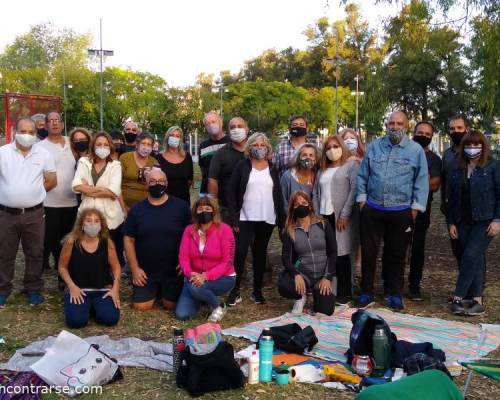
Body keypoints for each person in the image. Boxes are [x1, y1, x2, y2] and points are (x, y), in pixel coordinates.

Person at [356, 111, 429, 310]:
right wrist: (362, 201)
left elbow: (421, 181)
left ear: (406, 126)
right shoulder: (374, 147)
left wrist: (415, 209)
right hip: (373, 208)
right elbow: (363, 175)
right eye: (391, 123)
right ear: (386, 125)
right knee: (369, 253)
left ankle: (393, 292)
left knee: (396, 254)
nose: (394, 127)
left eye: (399, 123)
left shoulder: (415, 150)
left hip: (401, 210)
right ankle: (367, 291)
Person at [0, 117, 57, 307]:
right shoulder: (3, 153)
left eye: (31, 132)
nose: (27, 135)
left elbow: (51, 180)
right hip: (6, 214)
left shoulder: (43, 154)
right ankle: (2, 289)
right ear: (15, 131)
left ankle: (33, 288)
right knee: (5, 253)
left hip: (34, 213)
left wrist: (33, 192)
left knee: (35, 253)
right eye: (23, 131)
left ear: (35, 134)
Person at [227, 133, 285, 306]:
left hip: (266, 217)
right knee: (240, 253)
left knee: (260, 254)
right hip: (245, 217)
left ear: (267, 148)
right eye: (255, 145)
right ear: (249, 147)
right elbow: (231, 191)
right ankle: (234, 290)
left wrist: (281, 219)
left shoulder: (273, 168)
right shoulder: (242, 166)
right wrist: (234, 217)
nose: (259, 148)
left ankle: (257, 291)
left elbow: (278, 194)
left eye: (262, 145)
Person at [447, 131, 500, 316]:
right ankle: (477, 300)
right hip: (462, 220)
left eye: (477, 145)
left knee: (471, 255)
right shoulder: (458, 166)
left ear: (483, 146)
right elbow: (451, 198)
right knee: (470, 258)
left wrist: (497, 219)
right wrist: (451, 222)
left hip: (484, 221)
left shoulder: (493, 166)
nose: (473, 148)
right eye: (469, 145)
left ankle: (458, 297)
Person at [123, 168, 191, 311]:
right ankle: (155, 290)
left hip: (173, 269)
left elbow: (192, 235)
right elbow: (128, 239)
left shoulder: (181, 207)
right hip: (146, 271)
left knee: (170, 305)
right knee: (141, 306)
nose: (157, 184)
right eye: (152, 181)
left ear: (166, 183)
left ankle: (164, 292)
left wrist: (186, 260)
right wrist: (134, 268)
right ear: (146, 185)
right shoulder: (137, 209)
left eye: (161, 181)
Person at [313, 135, 360, 303]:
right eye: (328, 147)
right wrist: (316, 215)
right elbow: (316, 194)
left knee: (342, 254)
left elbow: (354, 190)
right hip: (324, 216)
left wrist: (345, 214)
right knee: (328, 253)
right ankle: (329, 290)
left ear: (341, 147)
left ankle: (345, 293)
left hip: (341, 216)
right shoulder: (321, 169)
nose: (332, 150)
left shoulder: (351, 165)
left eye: (335, 146)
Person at [175, 196, 236, 322]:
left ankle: (218, 305)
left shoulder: (225, 230)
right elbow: (183, 257)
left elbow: (227, 262)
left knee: (195, 288)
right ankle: (203, 299)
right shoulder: (189, 230)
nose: (204, 211)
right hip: (194, 277)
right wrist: (190, 273)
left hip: (223, 277)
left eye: (208, 208)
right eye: (200, 208)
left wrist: (205, 276)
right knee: (182, 315)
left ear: (214, 211)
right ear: (195, 212)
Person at [58, 208, 121, 328]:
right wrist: (72, 286)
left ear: (101, 225)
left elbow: (116, 266)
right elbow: (62, 267)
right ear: (81, 224)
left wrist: (115, 289)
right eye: (89, 221)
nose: (93, 224)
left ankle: (93, 306)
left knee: (110, 319)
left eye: (97, 221)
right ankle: (86, 306)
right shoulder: (71, 242)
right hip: (79, 289)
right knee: (76, 322)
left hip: (102, 290)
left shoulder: (107, 242)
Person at [278, 191, 336, 315]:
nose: (301, 206)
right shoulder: (289, 230)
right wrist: (296, 274)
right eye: (296, 204)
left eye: (304, 203)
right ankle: (300, 297)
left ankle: (317, 295)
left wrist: (328, 277)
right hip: (304, 273)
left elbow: (333, 252)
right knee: (285, 286)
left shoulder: (323, 224)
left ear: (310, 206)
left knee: (325, 311)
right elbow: (286, 258)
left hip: (323, 274)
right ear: (292, 209)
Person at [72, 132, 126, 266]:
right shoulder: (84, 162)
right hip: (87, 212)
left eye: (106, 145)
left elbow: (114, 191)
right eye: (99, 144)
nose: (102, 147)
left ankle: (113, 279)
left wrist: (88, 189)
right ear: (93, 146)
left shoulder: (116, 165)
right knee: (88, 249)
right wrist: (103, 190)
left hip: (111, 216)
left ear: (110, 147)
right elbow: (76, 186)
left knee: (113, 250)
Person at [36, 111, 78, 274]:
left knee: (67, 241)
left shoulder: (71, 143)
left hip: (71, 202)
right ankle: (38, 276)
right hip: (49, 203)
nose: (54, 123)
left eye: (57, 120)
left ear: (62, 124)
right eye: (50, 120)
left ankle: (63, 278)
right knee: (49, 241)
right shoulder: (39, 147)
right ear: (46, 125)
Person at [408, 122, 442, 301]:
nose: (423, 135)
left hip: (422, 209)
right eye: (420, 132)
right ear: (413, 133)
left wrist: (408, 182)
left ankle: (414, 286)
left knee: (417, 247)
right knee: (395, 246)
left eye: (427, 133)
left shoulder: (435, 160)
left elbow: (434, 185)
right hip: (398, 208)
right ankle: (392, 284)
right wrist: (422, 180)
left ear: (431, 136)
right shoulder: (404, 152)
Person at [441, 115, 470, 268]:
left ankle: (477, 288)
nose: (455, 131)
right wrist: (443, 202)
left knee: (472, 250)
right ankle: (465, 284)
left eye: (459, 128)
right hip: (452, 209)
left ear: (467, 129)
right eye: (452, 128)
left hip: (472, 207)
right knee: (457, 248)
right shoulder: (447, 155)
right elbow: (444, 180)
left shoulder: (475, 152)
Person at [208, 116, 248, 220]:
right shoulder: (220, 154)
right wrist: (214, 204)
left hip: (252, 207)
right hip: (227, 208)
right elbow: (212, 180)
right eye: (232, 127)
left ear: (246, 129)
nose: (236, 129)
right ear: (229, 131)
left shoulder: (254, 151)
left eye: (240, 126)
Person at [155, 126, 194, 204]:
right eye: (172, 135)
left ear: (180, 139)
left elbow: (190, 180)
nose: (174, 138)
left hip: (183, 200)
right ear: (167, 137)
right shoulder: (158, 158)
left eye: (177, 136)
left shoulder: (187, 157)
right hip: (164, 201)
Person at [119, 132, 157, 209]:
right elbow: (117, 184)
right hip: (123, 204)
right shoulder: (125, 158)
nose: (146, 147)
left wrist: (149, 178)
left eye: (149, 144)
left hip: (146, 206)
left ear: (152, 147)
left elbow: (154, 187)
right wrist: (124, 208)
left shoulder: (154, 162)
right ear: (137, 144)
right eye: (143, 143)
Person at [280, 143, 319, 211]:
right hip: (293, 219)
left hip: (313, 219)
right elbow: (283, 203)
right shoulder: (288, 176)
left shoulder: (317, 176)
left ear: (315, 160)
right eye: (304, 155)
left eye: (311, 155)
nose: (308, 158)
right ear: (298, 158)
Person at [198, 111, 230, 195]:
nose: (211, 125)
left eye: (213, 122)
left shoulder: (232, 143)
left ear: (221, 122)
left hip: (228, 192)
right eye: (207, 124)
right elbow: (203, 171)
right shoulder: (203, 146)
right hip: (207, 192)